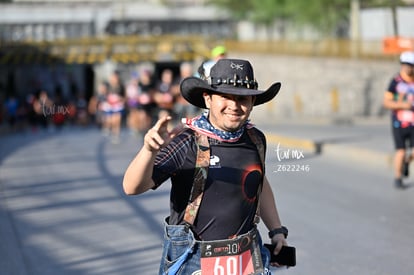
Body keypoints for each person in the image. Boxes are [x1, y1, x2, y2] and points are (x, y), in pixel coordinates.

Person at [123, 58, 288, 274]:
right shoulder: (186, 141)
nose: (235, 106)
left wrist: (276, 230)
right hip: (195, 259)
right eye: (226, 97)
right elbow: (131, 187)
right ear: (208, 99)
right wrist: (148, 150)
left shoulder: (255, 139)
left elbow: (259, 182)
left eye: (243, 98)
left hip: (247, 257)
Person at [383, 51, 414, 188]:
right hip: (399, 122)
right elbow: (387, 102)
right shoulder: (395, 82)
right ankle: (398, 177)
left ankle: (407, 162)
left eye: (410, 65)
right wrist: (402, 105)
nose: (407, 68)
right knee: (400, 150)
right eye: (405, 65)